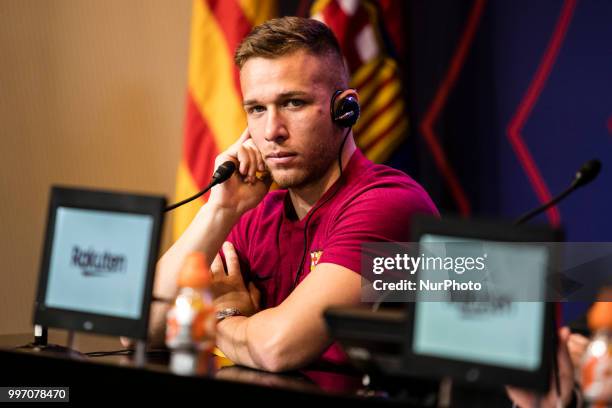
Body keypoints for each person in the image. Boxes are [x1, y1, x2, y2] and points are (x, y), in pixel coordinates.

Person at [148, 16, 438, 372]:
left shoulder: (389, 204)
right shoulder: (253, 213)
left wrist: (220, 317)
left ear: (344, 109)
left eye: (293, 103)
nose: (271, 131)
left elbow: (278, 348)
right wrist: (220, 211)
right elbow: (143, 327)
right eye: (256, 109)